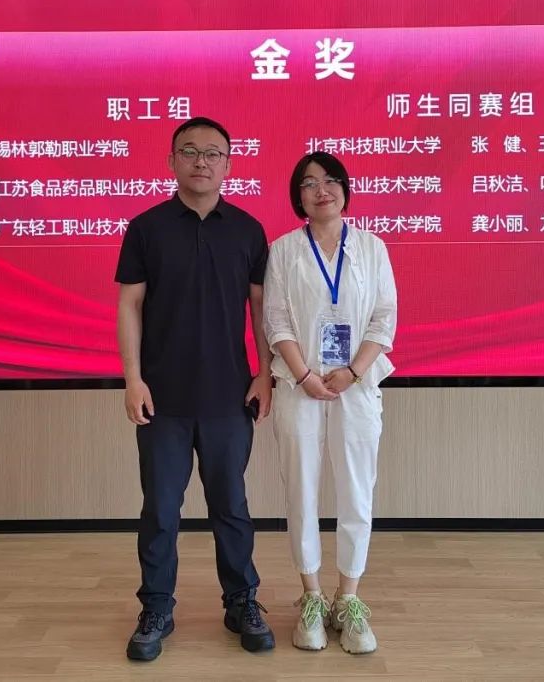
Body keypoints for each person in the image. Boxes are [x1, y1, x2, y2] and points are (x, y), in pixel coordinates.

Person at [115, 116, 276, 661]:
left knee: (230, 505)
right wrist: (133, 378)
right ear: (171, 161)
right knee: (161, 509)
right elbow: (130, 305)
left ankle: (241, 601)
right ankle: (157, 607)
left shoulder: (248, 230)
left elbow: (260, 310)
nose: (201, 161)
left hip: (229, 395)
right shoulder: (146, 227)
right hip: (162, 397)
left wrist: (265, 372)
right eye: (189, 151)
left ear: (228, 165)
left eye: (213, 153)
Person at [263, 152, 397, 654]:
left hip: (355, 386)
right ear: (297, 196)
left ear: (345, 189)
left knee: (357, 489)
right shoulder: (283, 250)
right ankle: (312, 596)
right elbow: (276, 320)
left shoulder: (372, 247)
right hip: (299, 384)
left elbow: (384, 317)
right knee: (301, 489)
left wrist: (353, 371)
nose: (322, 190)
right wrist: (304, 374)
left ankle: (349, 597)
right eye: (309, 183)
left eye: (331, 180)